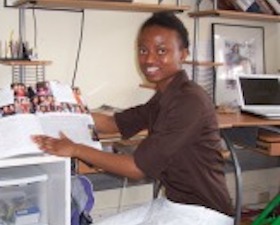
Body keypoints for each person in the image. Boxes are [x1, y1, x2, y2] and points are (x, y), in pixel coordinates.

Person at [31, 12, 233, 225]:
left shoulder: (189, 101)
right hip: (173, 204)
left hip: (203, 213)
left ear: (183, 54)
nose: (149, 59)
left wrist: (75, 149)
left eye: (161, 50)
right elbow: (113, 123)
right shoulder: (166, 95)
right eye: (143, 50)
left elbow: (137, 168)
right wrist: (59, 110)